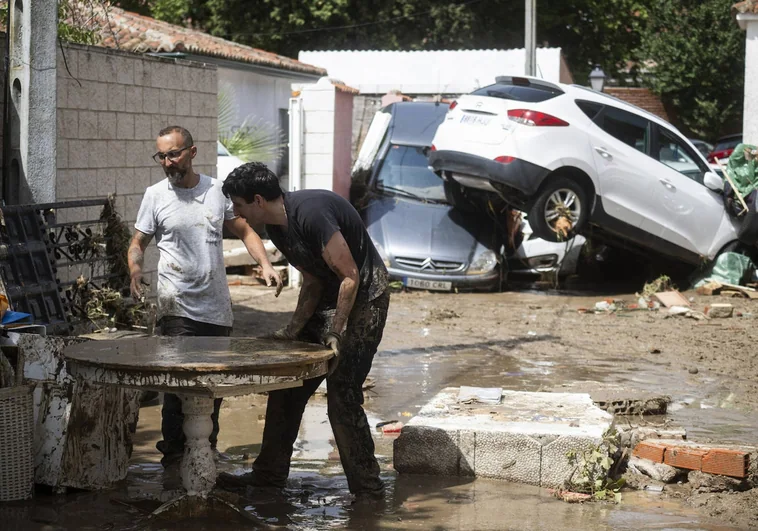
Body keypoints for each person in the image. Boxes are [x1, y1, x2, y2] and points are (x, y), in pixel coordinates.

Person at [219, 162, 390, 500]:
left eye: (237, 204)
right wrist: (292, 331)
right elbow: (312, 281)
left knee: (342, 396)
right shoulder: (276, 227)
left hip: (365, 298)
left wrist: (336, 332)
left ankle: (368, 490)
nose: (234, 211)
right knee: (287, 386)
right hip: (329, 297)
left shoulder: (311, 214)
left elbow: (350, 277)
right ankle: (267, 477)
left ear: (256, 200)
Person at [127, 127, 282, 466]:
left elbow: (244, 230)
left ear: (192, 152)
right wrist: (135, 271)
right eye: (162, 156)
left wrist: (266, 264)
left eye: (174, 154)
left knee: (211, 389)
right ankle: (174, 462)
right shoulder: (155, 195)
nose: (168, 162)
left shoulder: (216, 191)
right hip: (175, 307)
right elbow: (138, 243)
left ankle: (204, 459)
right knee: (177, 389)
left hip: (216, 311)